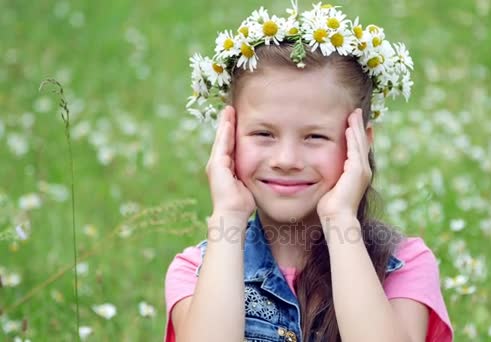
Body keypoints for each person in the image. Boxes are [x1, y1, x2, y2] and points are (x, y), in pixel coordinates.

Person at [165, 2, 452, 341]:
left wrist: (340, 218)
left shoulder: (403, 265)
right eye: (263, 134)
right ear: (228, 138)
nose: (286, 159)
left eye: (315, 136)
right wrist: (228, 214)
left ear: (359, 142)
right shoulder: (195, 272)